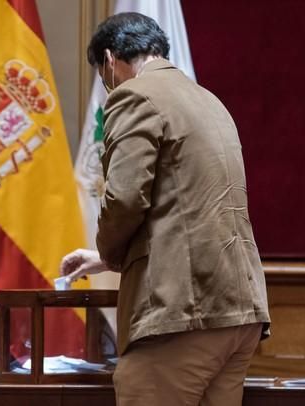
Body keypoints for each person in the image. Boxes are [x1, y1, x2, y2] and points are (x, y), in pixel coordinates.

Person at [60, 12, 270, 406]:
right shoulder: (210, 101)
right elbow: (185, 211)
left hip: (184, 316)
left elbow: (124, 198)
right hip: (237, 310)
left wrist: (108, 250)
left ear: (109, 60)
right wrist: (106, 261)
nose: (108, 88)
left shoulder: (135, 95)